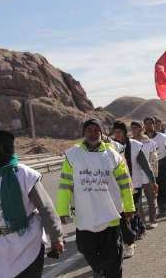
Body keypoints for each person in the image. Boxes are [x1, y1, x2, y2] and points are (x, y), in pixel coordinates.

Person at [0, 129, 64, 278]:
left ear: (5, 149)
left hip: (28, 245)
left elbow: (46, 208)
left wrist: (56, 237)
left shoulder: (24, 175)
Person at [56, 119, 135, 277]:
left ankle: (110, 272)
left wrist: (129, 206)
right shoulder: (73, 155)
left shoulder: (112, 155)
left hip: (110, 215)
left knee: (114, 255)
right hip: (86, 215)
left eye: (96, 130)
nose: (92, 133)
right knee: (85, 248)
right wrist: (62, 210)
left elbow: (125, 183)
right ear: (83, 133)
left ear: (101, 133)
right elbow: (65, 184)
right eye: (89, 130)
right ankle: (99, 269)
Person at [112, 121, 155, 258]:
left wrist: (153, 180)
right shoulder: (110, 147)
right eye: (115, 132)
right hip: (118, 187)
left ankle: (130, 241)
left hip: (134, 185)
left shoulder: (135, 145)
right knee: (126, 213)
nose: (117, 134)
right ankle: (138, 229)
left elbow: (145, 165)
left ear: (125, 133)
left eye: (119, 132)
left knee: (130, 212)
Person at [144, 117, 166, 220]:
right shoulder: (142, 139)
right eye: (146, 124)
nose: (149, 126)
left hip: (162, 166)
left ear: (154, 125)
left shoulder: (163, 137)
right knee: (156, 191)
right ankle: (161, 210)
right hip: (149, 168)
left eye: (150, 123)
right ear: (144, 125)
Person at [130, 121, 159, 229]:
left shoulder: (149, 142)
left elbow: (154, 160)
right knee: (138, 203)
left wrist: (154, 177)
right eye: (132, 128)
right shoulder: (130, 143)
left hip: (147, 176)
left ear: (141, 128)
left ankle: (153, 220)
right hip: (135, 177)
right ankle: (141, 223)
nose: (133, 130)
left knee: (151, 199)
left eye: (136, 128)